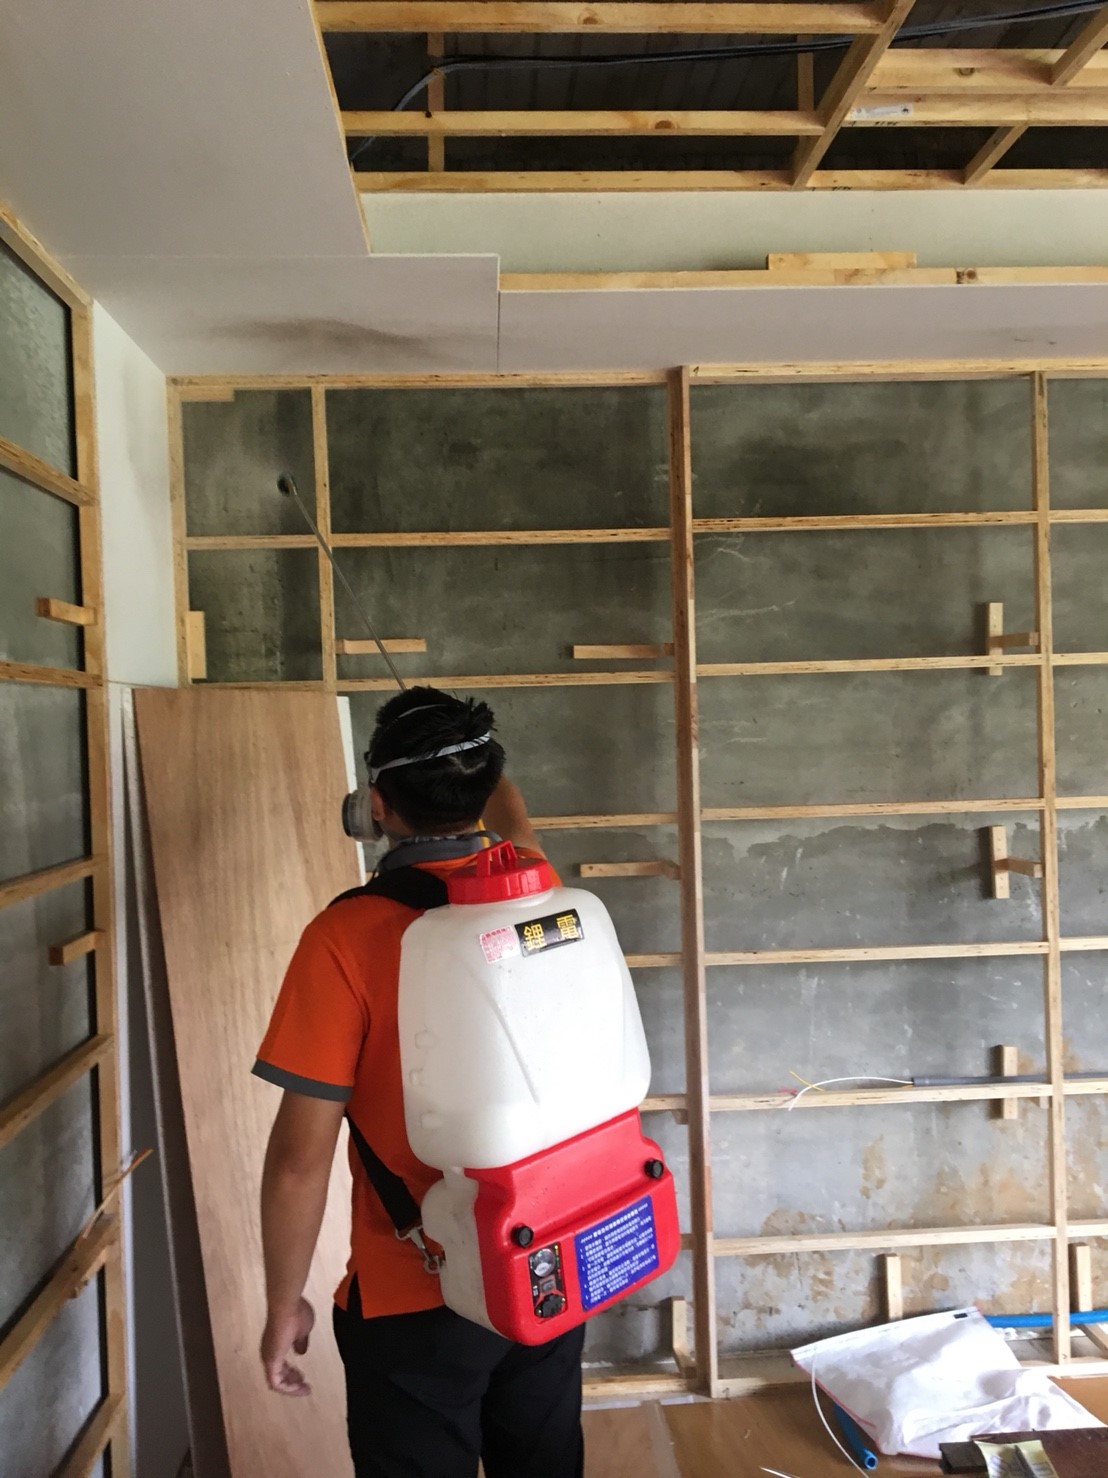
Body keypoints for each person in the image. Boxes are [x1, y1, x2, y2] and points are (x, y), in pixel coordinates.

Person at [253, 686, 585, 1478]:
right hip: (546, 1258)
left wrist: (283, 1301)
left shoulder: (344, 937)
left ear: (375, 808)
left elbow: (300, 1159)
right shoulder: (538, 892)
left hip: (417, 1288)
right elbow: (514, 822)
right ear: (485, 787)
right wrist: (478, 769)